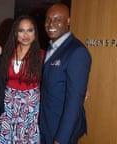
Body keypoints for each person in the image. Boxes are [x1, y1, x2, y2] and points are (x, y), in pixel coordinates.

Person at [39, 3, 92, 144]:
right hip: (46, 124)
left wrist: (61, 138)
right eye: (48, 19)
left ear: (68, 21)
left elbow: (75, 100)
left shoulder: (77, 51)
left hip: (61, 130)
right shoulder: (51, 48)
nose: (51, 24)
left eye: (57, 19)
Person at [0, 15, 43, 144]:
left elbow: (57, 75)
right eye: (21, 30)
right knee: (4, 137)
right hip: (8, 103)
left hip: (30, 106)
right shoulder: (7, 53)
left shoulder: (42, 55)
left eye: (30, 30)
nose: (25, 34)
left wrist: (82, 88)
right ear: (15, 33)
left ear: (35, 33)